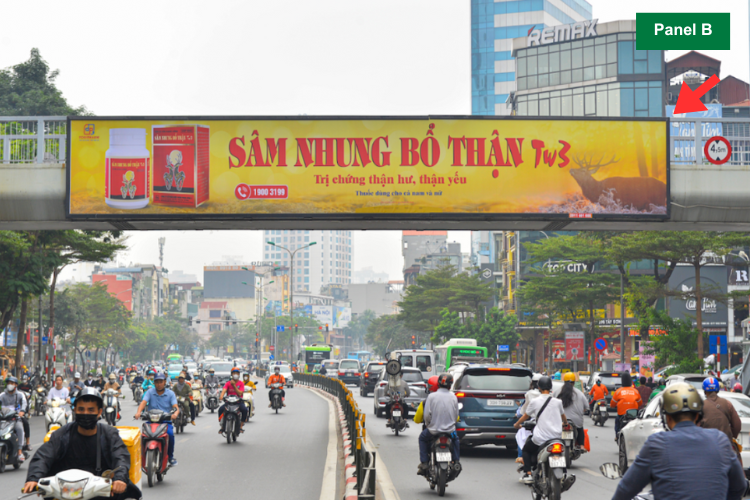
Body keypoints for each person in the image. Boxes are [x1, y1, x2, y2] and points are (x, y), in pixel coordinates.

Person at [611, 382, 746, 500]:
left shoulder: (656, 445)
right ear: (698, 415)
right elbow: (740, 485)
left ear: (667, 417)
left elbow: (625, 490)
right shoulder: (720, 440)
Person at [22, 387, 141, 500]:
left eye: (91, 410)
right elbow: (44, 455)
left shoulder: (109, 434)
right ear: (75, 410)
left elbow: (120, 456)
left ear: (99, 412)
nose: (85, 414)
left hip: (102, 494)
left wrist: (119, 479)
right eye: (81, 409)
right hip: (65, 493)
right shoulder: (62, 434)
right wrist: (33, 478)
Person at [514, 376, 567, 484]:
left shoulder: (535, 401)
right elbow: (563, 416)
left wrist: (517, 424)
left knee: (526, 450)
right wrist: (565, 424)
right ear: (550, 387)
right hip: (556, 437)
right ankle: (564, 473)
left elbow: (525, 416)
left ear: (539, 387)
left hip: (540, 438)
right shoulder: (558, 402)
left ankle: (528, 473)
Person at [417, 374, 459, 476]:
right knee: (456, 440)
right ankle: (456, 461)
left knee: (422, 438)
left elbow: (427, 415)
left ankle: (425, 462)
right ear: (450, 385)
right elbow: (456, 416)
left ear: (439, 383)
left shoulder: (431, 397)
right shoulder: (454, 397)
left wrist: (428, 425)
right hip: (450, 431)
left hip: (433, 430)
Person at [135, 373, 179, 466]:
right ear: (154, 383)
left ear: (164, 382)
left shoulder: (170, 393)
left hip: (165, 421)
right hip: (151, 420)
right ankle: (140, 456)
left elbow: (175, 407)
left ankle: (170, 457)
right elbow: (143, 402)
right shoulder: (150, 392)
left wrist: (175, 414)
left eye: (161, 382)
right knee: (142, 436)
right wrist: (138, 412)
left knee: (170, 435)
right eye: (157, 382)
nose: (159, 384)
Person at [698, 377, 741, 453]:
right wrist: (730, 436)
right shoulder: (728, 404)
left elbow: (696, 427)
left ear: (705, 391)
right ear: (717, 390)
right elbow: (737, 425)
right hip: (725, 447)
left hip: (707, 448)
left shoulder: (701, 406)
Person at [557, 372, 587, 451]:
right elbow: (586, 407)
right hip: (576, 422)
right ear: (574, 382)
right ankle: (581, 446)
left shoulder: (557, 392)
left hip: (560, 421)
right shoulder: (580, 393)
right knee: (580, 429)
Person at [0, 376, 27, 462]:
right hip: (3, 419)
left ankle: (19, 452)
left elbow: (24, 404)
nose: (9, 385)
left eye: (12, 383)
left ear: (15, 385)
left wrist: (22, 411)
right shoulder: (2, 395)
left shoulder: (20, 395)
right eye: (8, 383)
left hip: (15, 419)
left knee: (19, 429)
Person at [610, 372, 642, 441]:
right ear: (630, 381)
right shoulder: (635, 391)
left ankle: (617, 435)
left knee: (617, 421)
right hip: (634, 415)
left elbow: (612, 405)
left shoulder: (618, 391)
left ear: (622, 381)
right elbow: (640, 403)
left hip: (622, 415)